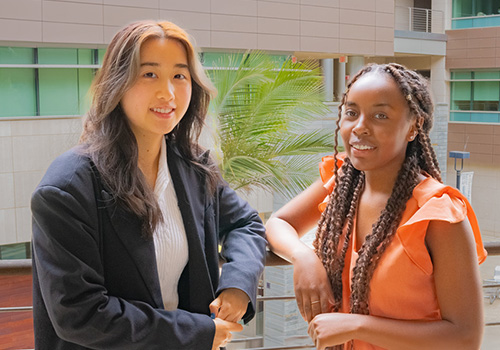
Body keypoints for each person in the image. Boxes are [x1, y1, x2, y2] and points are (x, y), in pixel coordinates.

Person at [31, 20, 266, 350]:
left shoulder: (193, 167)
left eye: (179, 76)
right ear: (118, 83)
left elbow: (246, 223)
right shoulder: (68, 187)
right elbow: (79, 313)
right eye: (149, 74)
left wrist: (238, 284)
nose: (167, 93)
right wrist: (197, 332)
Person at [265, 63, 487, 350]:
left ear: (413, 127)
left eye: (380, 115)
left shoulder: (437, 212)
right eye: (351, 113)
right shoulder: (342, 181)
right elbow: (279, 223)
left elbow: (465, 337)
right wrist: (303, 258)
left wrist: (357, 325)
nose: (360, 127)